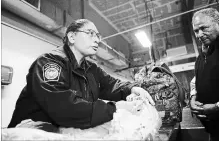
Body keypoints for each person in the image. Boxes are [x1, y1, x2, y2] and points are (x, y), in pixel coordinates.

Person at [8, 19, 155, 133]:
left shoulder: (91, 68)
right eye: (91, 33)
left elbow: (111, 84)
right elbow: (63, 107)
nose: (97, 40)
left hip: (64, 131)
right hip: (31, 131)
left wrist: (133, 88)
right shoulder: (50, 62)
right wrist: (115, 108)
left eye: (98, 36)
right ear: (72, 37)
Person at [190, 8, 219, 141]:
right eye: (196, 30)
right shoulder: (202, 55)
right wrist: (193, 97)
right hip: (214, 129)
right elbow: (196, 79)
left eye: (204, 28)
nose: (199, 35)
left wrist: (216, 107)